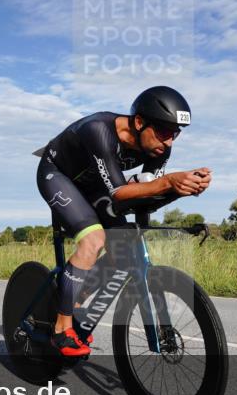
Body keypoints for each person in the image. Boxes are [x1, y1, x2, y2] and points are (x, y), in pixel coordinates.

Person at [36, 86, 212, 356]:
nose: (169, 142)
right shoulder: (98, 130)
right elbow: (119, 195)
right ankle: (62, 328)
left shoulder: (159, 149)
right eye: (164, 132)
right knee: (93, 240)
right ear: (140, 122)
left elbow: (145, 191)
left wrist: (179, 190)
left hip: (96, 185)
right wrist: (168, 182)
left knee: (123, 247)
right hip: (58, 176)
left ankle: (75, 298)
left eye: (175, 134)